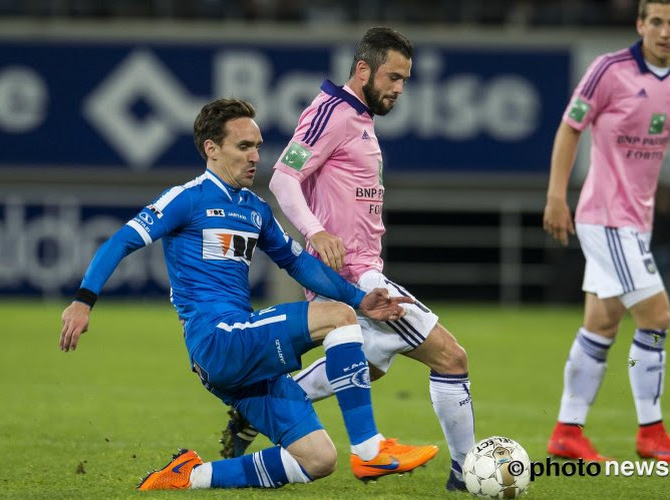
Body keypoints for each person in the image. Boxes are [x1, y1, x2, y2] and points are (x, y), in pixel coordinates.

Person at [58, 98, 438, 491]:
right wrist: (84, 300)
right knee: (337, 316)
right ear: (212, 149)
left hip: (237, 356)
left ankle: (189, 476)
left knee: (317, 459)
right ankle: (369, 448)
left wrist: (362, 300)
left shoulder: (255, 209)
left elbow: (299, 264)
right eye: (244, 147)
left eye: (257, 146)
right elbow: (121, 241)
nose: (256, 156)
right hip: (218, 336)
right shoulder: (188, 198)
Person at [219, 27, 475, 492]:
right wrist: (316, 231)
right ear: (363, 70)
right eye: (393, 77)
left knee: (366, 365)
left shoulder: (358, 118)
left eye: (405, 80)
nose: (399, 89)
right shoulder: (331, 111)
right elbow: (283, 178)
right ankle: (468, 474)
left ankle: (258, 406)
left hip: (363, 270)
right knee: (451, 358)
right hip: (350, 276)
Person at [543, 0, 670, 463]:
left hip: (636, 221)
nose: (666, 31)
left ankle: (566, 431)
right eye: (657, 22)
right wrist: (555, 197)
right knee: (658, 315)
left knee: (602, 323)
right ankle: (651, 432)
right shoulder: (609, 69)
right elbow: (570, 127)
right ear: (641, 24)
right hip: (605, 216)